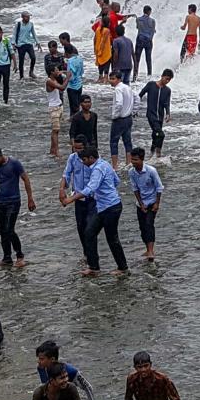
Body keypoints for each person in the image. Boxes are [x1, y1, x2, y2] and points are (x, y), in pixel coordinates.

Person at [64, 147, 127, 276]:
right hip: (102, 206)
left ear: (92, 158)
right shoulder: (105, 164)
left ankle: (123, 267)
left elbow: (90, 189)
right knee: (89, 233)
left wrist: (70, 199)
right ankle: (94, 267)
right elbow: (116, 181)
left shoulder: (98, 169)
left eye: (84, 160)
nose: (82, 162)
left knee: (112, 238)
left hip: (111, 207)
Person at [128, 148, 163, 261]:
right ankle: (147, 249)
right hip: (141, 203)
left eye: (136, 160)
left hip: (152, 202)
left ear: (142, 160)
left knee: (149, 224)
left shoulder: (151, 171)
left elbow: (159, 187)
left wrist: (157, 203)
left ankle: (151, 250)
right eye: (132, 159)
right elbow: (135, 188)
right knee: (142, 227)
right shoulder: (131, 172)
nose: (133, 162)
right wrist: (141, 203)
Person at [139, 69, 173, 159]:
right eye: (166, 79)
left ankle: (151, 154)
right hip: (151, 115)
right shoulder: (151, 85)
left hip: (160, 117)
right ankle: (158, 153)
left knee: (156, 134)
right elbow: (140, 94)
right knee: (161, 134)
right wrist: (135, 108)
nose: (167, 81)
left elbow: (167, 103)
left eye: (169, 80)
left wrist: (168, 114)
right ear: (162, 76)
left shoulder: (167, 90)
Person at [109, 72, 136, 168]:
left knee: (113, 142)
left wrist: (114, 116)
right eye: (110, 78)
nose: (111, 81)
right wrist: (134, 110)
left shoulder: (118, 89)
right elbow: (137, 98)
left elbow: (119, 104)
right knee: (127, 142)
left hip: (120, 119)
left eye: (113, 79)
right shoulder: (127, 87)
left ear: (119, 79)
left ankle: (115, 166)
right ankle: (129, 163)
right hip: (128, 118)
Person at [46, 65, 68, 157]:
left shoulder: (54, 79)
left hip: (58, 106)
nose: (58, 71)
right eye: (56, 70)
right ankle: (56, 151)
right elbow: (62, 88)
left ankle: (52, 150)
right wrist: (68, 77)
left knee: (55, 131)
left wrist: (64, 73)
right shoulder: (49, 81)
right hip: (54, 108)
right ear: (51, 72)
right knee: (55, 131)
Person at [14, 12, 39, 80]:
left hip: (29, 43)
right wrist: (13, 44)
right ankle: (21, 76)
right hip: (20, 44)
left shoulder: (31, 24)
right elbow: (14, 34)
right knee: (21, 61)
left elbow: (34, 34)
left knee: (33, 57)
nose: (28, 18)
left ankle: (31, 72)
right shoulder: (18, 24)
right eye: (26, 17)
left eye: (28, 17)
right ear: (22, 17)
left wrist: (38, 42)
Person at [134, 5, 156, 79]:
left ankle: (135, 75)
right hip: (149, 40)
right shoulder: (153, 21)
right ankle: (149, 75)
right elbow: (153, 31)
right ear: (149, 12)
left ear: (143, 11)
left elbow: (137, 27)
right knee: (148, 58)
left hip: (140, 39)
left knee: (137, 58)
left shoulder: (138, 19)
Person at [65, 43, 85, 115]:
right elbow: (82, 72)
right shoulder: (80, 59)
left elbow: (70, 77)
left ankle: (74, 123)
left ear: (66, 53)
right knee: (77, 106)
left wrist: (62, 75)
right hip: (79, 85)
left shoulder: (70, 61)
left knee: (73, 109)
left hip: (72, 87)